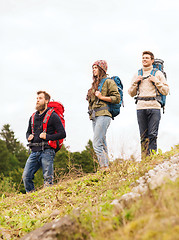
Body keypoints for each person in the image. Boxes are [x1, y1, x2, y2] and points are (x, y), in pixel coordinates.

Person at [23, 91, 66, 193]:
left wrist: (48, 136)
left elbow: (62, 134)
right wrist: (28, 137)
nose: (37, 100)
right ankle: (32, 198)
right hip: (34, 151)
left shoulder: (53, 116)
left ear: (46, 101)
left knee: (48, 180)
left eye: (40, 98)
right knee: (26, 177)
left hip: (47, 151)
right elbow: (28, 132)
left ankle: (48, 201)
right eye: (37, 98)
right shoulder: (33, 117)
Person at [128, 51, 169, 157]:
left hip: (154, 106)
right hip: (140, 107)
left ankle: (152, 158)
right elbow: (131, 93)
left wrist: (156, 81)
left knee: (153, 134)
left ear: (152, 60)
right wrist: (135, 82)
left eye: (147, 58)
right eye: (143, 58)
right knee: (143, 136)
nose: (144, 60)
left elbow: (165, 91)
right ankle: (145, 160)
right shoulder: (137, 74)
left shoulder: (158, 74)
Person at [86, 60, 120, 170]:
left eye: (96, 67)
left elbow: (117, 98)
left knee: (96, 144)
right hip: (95, 116)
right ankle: (107, 168)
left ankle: (104, 167)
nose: (93, 70)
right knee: (102, 143)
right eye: (93, 68)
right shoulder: (95, 84)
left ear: (102, 69)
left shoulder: (109, 82)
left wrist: (101, 97)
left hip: (104, 115)